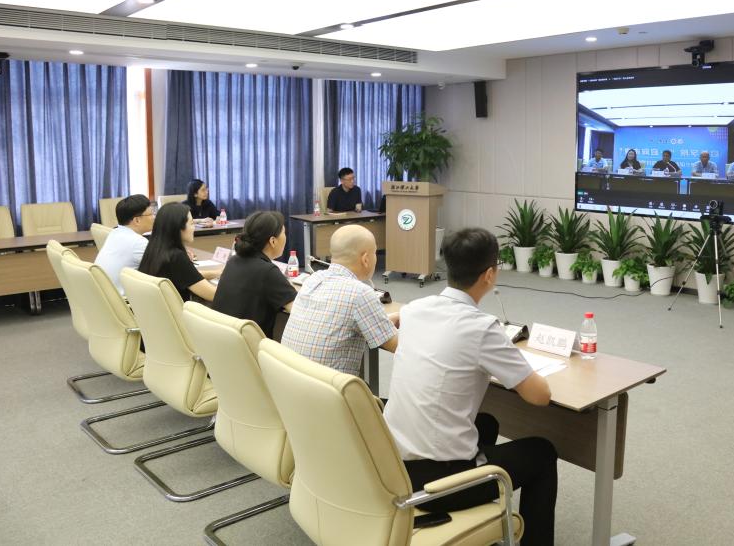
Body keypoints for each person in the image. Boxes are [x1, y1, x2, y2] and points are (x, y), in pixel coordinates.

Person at [384, 228, 557, 545]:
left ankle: (479, 524)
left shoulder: (415, 309)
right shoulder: (482, 328)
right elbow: (540, 396)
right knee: (542, 452)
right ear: (490, 274)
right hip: (437, 483)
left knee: (486, 422)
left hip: (393, 466)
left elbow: (399, 322)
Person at [281, 224, 397, 375]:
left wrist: (386, 320)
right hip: (329, 388)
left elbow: (336, 322)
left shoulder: (313, 279)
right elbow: (396, 345)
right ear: (365, 259)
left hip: (290, 381)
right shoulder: (360, 293)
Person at [212, 210, 297, 340]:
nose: (285, 237)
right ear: (273, 241)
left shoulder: (233, 261)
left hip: (224, 342)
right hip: (251, 347)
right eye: (284, 233)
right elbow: (297, 309)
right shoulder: (268, 271)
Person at [138, 202, 220, 302]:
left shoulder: (155, 249)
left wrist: (217, 273)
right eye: (191, 223)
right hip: (181, 310)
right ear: (178, 227)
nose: (194, 228)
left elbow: (189, 275)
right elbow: (214, 295)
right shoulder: (176, 257)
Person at [94, 194, 154, 294]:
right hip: (121, 300)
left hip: (103, 294)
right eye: (151, 214)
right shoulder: (138, 243)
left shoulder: (115, 233)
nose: (154, 217)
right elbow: (161, 268)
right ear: (137, 220)